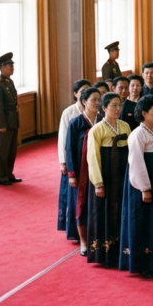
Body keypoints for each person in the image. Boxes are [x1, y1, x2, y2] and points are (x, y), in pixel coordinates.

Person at [119, 95, 153, 277]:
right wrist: (145, 188)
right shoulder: (137, 134)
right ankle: (145, 264)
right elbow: (136, 163)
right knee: (144, 221)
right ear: (144, 113)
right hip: (144, 183)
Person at [85, 92, 132, 267]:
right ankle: (105, 254)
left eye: (119, 105)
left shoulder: (125, 126)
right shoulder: (97, 130)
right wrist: (98, 184)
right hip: (105, 177)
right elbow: (93, 158)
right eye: (114, 105)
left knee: (121, 211)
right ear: (103, 108)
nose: (118, 108)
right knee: (104, 213)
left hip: (122, 176)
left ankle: (122, 251)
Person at [66, 87, 102, 255]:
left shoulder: (103, 120)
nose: (97, 103)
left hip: (100, 169)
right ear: (84, 101)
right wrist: (71, 174)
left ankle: (100, 239)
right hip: (82, 172)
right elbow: (69, 149)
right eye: (93, 99)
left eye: (99, 99)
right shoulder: (76, 123)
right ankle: (84, 242)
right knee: (82, 205)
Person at [58, 78, 92, 241]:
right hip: (74, 161)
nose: (85, 94)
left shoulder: (95, 112)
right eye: (82, 91)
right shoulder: (69, 112)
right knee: (72, 196)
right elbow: (63, 139)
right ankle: (73, 230)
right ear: (76, 94)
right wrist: (63, 162)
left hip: (89, 161)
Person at [0, 53, 20, 186]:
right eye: (10, 66)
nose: (12, 68)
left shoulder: (9, 82)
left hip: (12, 121)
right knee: (2, 151)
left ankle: (9, 174)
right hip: (4, 123)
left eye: (12, 66)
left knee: (11, 150)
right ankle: (1, 177)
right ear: (2, 68)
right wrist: (1, 124)